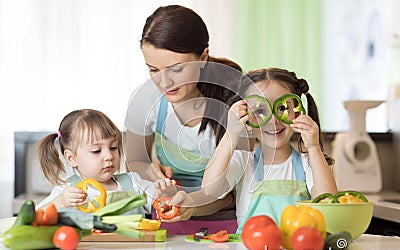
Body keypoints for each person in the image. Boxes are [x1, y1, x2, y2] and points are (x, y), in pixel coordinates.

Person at [124, 5, 246, 234]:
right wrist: (151, 170)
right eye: (153, 69)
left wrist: (190, 206)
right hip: (163, 221)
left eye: (177, 69)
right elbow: (135, 163)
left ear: (203, 58)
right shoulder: (145, 101)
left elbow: (229, 194)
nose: (164, 82)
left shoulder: (231, 102)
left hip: (222, 225)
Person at [201, 68, 337, 233]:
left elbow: (327, 201)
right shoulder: (244, 162)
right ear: (247, 118)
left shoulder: (308, 163)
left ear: (297, 112)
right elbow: (209, 189)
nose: (273, 120)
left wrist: (313, 147)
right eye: (259, 111)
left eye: (281, 108)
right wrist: (231, 133)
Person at [36, 109, 176, 214]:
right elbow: (35, 217)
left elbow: (162, 203)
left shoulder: (134, 183)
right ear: (72, 158)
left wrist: (166, 193)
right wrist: (60, 202)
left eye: (113, 147)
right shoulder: (67, 191)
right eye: (96, 151)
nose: (109, 156)